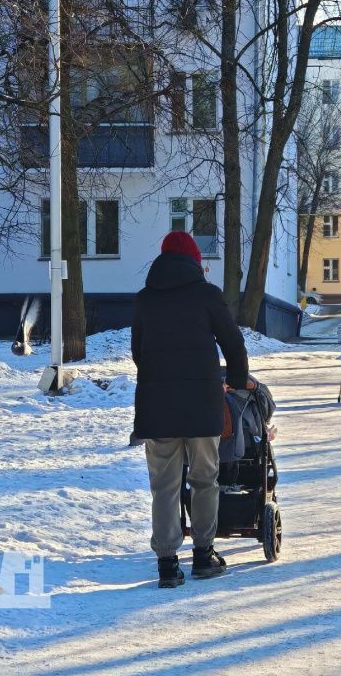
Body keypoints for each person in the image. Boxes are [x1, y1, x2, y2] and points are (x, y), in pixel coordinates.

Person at [132, 231, 250, 588]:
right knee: (203, 480)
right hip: (202, 405)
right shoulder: (207, 295)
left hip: (157, 407)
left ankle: (167, 564)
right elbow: (234, 343)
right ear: (195, 261)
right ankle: (203, 554)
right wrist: (238, 380)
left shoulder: (144, 300)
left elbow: (139, 352)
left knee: (164, 486)